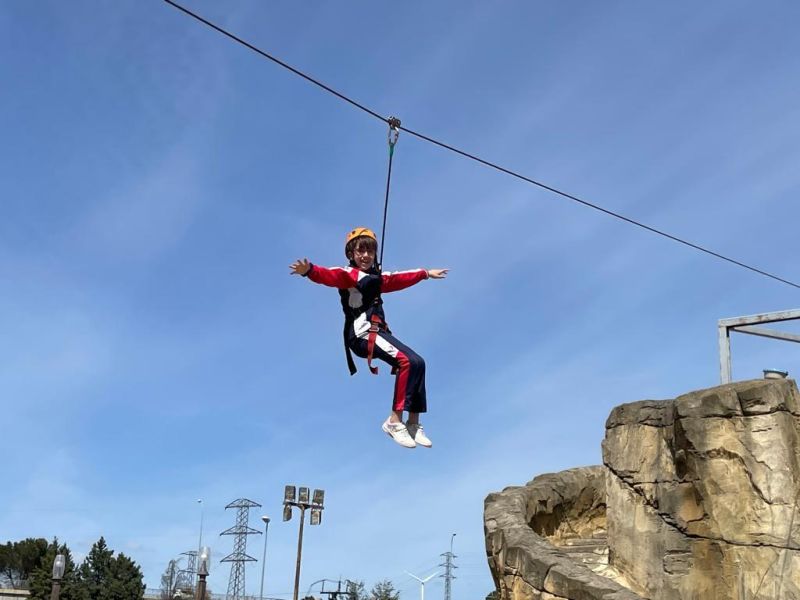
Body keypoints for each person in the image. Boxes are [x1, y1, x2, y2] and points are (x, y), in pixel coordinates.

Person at [290, 227, 448, 448]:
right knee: (407, 361)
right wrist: (309, 271)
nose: (366, 255)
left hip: (378, 332)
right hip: (361, 334)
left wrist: (425, 273)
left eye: (370, 251)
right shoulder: (349, 275)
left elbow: (399, 278)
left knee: (418, 362)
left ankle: (413, 423)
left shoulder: (378, 278)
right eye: (360, 251)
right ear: (351, 254)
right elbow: (329, 275)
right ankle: (394, 422)